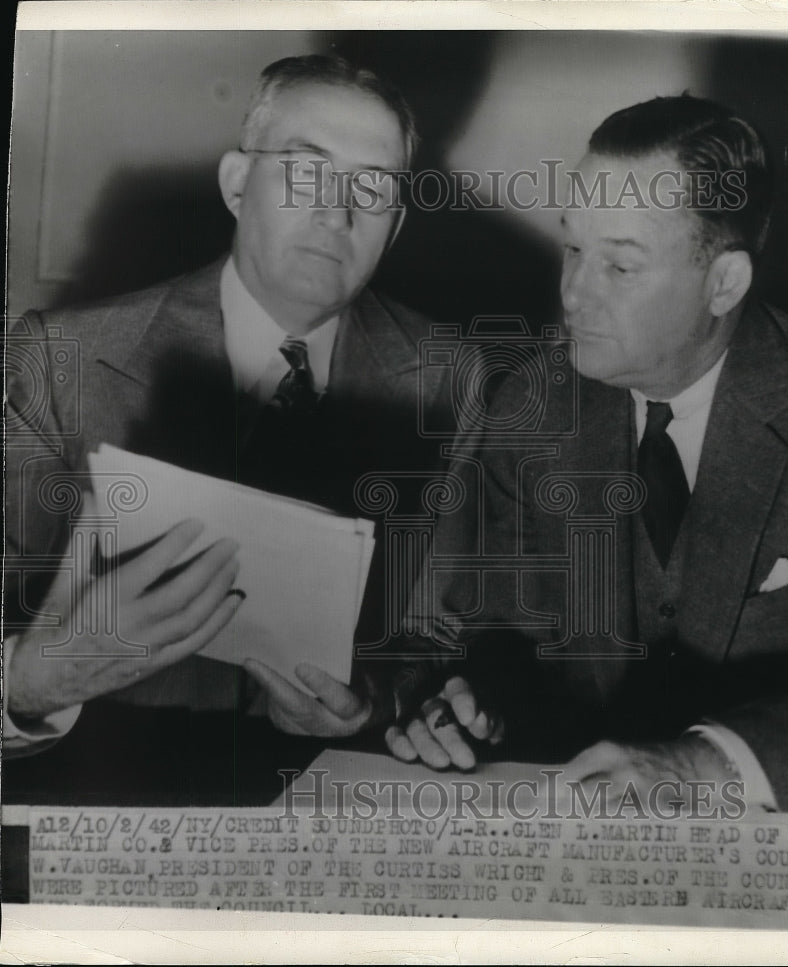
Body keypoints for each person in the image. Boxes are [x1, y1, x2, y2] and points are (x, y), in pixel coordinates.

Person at [383, 95, 788, 813]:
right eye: (573, 248)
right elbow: (511, 633)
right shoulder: (531, 406)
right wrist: (477, 700)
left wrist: (696, 767)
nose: (573, 295)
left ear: (723, 283)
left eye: (620, 267)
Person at [4, 55, 455, 753]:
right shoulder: (61, 358)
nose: (337, 212)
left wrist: (375, 702)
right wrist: (33, 681)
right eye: (306, 172)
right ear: (238, 184)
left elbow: (449, 636)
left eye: (374, 189)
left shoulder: (459, 379)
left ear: (394, 226)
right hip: (108, 789)